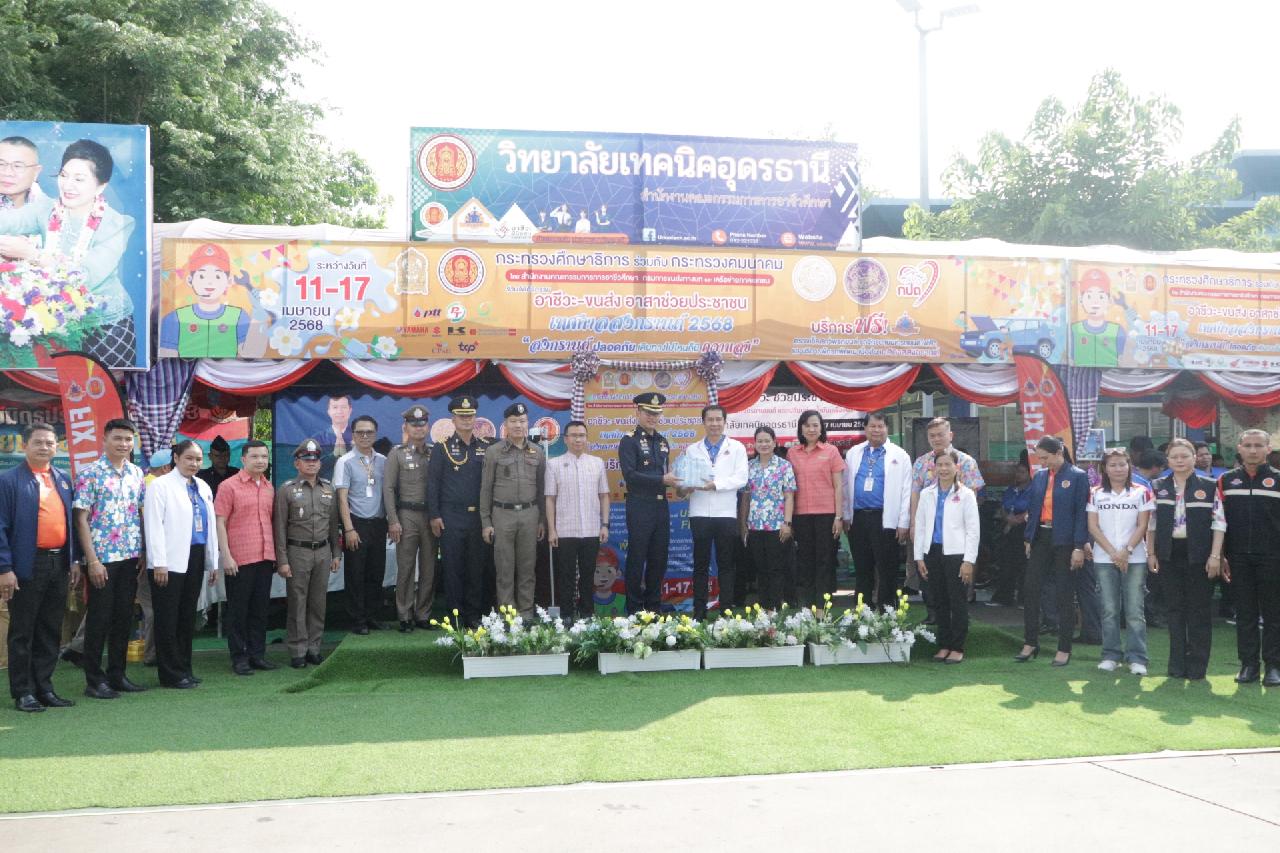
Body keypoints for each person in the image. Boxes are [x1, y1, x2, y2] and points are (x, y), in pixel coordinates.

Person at [0, 139, 137, 366]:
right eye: (64, 176)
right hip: (59, 322)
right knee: (60, 385)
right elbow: (9, 221)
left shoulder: (117, 224)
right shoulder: (46, 209)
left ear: (101, 186)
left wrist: (33, 255)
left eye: (79, 179)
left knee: (104, 386)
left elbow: (86, 275)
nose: (68, 185)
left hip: (106, 325)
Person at [0, 422, 79, 711]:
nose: (44, 447)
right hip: (26, 564)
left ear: (56, 447)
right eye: (38, 442)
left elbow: (71, 523)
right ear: (25, 445)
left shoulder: (63, 479)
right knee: (23, 630)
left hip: (59, 563)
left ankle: (44, 687)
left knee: (50, 628)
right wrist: (5, 568)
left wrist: (74, 560)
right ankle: (23, 692)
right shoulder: (8, 481)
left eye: (50, 443)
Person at [72, 418, 146, 699]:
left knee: (123, 617)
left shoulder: (136, 473)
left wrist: (143, 551)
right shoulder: (90, 473)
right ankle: (94, 680)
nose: (123, 444)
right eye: (118, 438)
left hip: (130, 557)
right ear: (104, 440)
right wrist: (91, 560)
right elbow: (81, 519)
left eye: (128, 439)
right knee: (99, 620)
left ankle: (117, 674)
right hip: (101, 558)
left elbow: (140, 513)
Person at [143, 440, 219, 689]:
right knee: (168, 617)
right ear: (175, 458)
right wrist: (159, 562)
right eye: (189, 458)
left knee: (187, 616)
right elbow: (153, 525)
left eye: (198, 459)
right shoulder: (160, 485)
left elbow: (210, 525)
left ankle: (184, 667)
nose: (194, 463)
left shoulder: (202, 486)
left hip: (195, 555)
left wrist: (213, 561)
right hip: (168, 559)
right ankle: (170, 673)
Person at [1149, 438, 1226, 681]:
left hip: (1200, 555)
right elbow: (1151, 523)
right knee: (1174, 610)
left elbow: (1219, 523)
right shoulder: (1158, 486)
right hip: (1168, 554)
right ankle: (1177, 664)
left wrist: (1215, 556)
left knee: (1199, 610)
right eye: (1174, 457)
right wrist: (1151, 553)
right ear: (1167, 460)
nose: (1180, 461)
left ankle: (1197, 667)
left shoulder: (1210, 486)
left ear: (1194, 458)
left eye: (1185, 456)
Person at [1017, 436, 1089, 667]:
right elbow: (1034, 508)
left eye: (1045, 458)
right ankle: (1030, 642)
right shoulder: (1039, 476)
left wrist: (1079, 546)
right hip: (1041, 536)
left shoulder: (1077, 476)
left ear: (1059, 453)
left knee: (1064, 593)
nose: (1042, 462)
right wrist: (1028, 537)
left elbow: (1082, 513)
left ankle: (1064, 647)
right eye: (1039, 458)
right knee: (1030, 588)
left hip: (1065, 540)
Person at [1216, 429, 1280, 686]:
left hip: (1273, 557)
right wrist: (1222, 555)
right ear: (1239, 448)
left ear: (1268, 449)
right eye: (1248, 445)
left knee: (1274, 614)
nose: (1253, 450)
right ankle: (1248, 665)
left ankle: (1273, 666)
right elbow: (1218, 522)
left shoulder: (1278, 479)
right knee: (1245, 614)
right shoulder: (1226, 481)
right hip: (1238, 558)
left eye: (1258, 445)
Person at [274, 439, 342, 668]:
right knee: (297, 603)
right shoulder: (286, 490)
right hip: (297, 551)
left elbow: (334, 525)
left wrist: (336, 553)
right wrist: (282, 560)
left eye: (315, 459)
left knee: (318, 603)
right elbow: (279, 528)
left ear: (320, 463)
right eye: (306, 459)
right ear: (297, 463)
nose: (311, 463)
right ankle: (298, 650)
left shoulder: (328, 489)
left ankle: (314, 648)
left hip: (322, 551)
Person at [1087, 448, 1155, 675]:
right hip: (1104, 558)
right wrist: (1113, 553)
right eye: (1113, 465)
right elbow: (1093, 526)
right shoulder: (1095, 493)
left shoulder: (1141, 492)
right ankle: (1111, 655)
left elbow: (1143, 525)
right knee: (1109, 610)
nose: (1118, 469)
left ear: (1129, 466)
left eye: (1122, 464)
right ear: (1104, 469)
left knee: (1135, 610)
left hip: (1135, 558)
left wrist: (1126, 551)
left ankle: (1137, 658)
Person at [427, 396, 493, 627]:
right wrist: (434, 515)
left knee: (476, 568)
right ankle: (455, 616)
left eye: (470, 416)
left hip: (478, 518)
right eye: (461, 416)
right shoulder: (442, 448)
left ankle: (473, 615)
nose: (466, 420)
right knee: (453, 569)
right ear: (453, 419)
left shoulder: (485, 447)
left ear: (475, 418)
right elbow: (433, 484)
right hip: (451, 517)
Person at [678, 405, 748, 617]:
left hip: (726, 514)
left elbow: (741, 478)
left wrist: (715, 484)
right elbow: (684, 481)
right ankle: (699, 612)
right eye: (710, 420)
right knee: (700, 564)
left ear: (725, 422)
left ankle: (726, 611)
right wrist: (685, 486)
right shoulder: (692, 449)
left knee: (726, 564)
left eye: (718, 419)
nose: (714, 424)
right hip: (699, 513)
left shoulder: (737, 448)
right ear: (704, 422)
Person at [910, 417, 984, 618]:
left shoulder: (966, 462)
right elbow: (915, 494)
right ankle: (933, 614)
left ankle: (961, 615)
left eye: (940, 435)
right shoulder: (921, 462)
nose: (936, 439)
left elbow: (972, 498)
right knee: (930, 579)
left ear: (950, 435)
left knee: (958, 584)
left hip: (956, 536)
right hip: (930, 534)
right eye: (932, 436)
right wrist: (913, 524)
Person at [214, 439, 277, 675]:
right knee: (238, 611)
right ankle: (239, 658)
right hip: (239, 558)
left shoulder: (269, 487)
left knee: (260, 610)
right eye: (255, 456)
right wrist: (226, 556)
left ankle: (257, 655)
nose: (260, 461)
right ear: (243, 459)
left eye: (264, 456)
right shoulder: (229, 486)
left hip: (265, 556)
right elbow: (219, 521)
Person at [480, 403, 546, 620]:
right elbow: (485, 489)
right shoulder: (494, 452)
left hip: (530, 514)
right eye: (514, 421)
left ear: (528, 424)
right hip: (502, 515)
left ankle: (526, 614)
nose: (518, 425)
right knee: (504, 568)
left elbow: (542, 489)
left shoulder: (537, 452)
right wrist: (486, 522)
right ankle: (508, 615)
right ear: (506, 425)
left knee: (528, 567)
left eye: (522, 421)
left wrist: (542, 520)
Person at [913, 450, 979, 664]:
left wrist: (968, 561)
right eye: (939, 465)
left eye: (947, 464)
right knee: (939, 600)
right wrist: (919, 557)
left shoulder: (966, 494)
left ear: (956, 467)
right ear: (934, 468)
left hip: (957, 555)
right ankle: (944, 644)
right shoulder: (927, 494)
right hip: (932, 552)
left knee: (957, 601)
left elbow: (973, 530)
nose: (943, 469)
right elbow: (920, 526)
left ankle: (957, 647)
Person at [843, 411, 912, 610]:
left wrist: (903, 522)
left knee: (887, 567)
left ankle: (887, 609)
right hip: (858, 518)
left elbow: (906, 491)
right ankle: (862, 609)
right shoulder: (854, 452)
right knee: (862, 567)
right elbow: (846, 486)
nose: (876, 430)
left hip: (885, 518)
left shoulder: (900, 455)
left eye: (880, 426)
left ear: (887, 428)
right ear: (865, 428)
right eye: (872, 426)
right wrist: (846, 515)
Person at [618, 393, 678, 615]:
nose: (653, 417)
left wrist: (678, 482)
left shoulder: (663, 442)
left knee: (659, 558)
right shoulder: (629, 440)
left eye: (656, 413)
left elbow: (667, 474)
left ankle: (653, 606)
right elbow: (630, 476)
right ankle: (634, 609)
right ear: (638, 412)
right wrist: (662, 480)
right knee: (637, 557)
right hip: (639, 506)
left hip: (661, 507)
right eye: (648, 413)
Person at [545, 420, 609, 622]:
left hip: (591, 529)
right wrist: (552, 530)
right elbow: (550, 499)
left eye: (581, 435)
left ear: (586, 438)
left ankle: (587, 615)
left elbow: (604, 495)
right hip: (565, 530)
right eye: (573, 435)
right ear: (565, 439)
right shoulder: (553, 464)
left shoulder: (597, 463)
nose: (578, 439)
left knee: (588, 575)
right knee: (566, 576)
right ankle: (566, 615)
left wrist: (605, 525)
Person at [384, 406, 437, 632]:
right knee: (405, 567)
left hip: (430, 516)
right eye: (414, 425)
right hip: (406, 515)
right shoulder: (397, 453)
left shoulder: (435, 452)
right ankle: (404, 615)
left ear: (428, 426)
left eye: (422, 424)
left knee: (429, 568)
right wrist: (393, 520)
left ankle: (423, 614)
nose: (418, 428)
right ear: (405, 427)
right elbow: (388, 488)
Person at [335, 415, 388, 635]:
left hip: (379, 523)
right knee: (355, 573)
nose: (365, 436)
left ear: (375, 434)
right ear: (353, 435)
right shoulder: (345, 461)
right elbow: (341, 498)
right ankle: (357, 620)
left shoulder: (383, 460)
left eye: (369, 432)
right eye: (360, 432)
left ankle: (372, 615)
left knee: (376, 572)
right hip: (356, 523)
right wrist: (348, 529)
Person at [789, 410, 845, 606]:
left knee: (825, 559)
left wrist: (839, 517)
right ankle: (807, 604)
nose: (811, 429)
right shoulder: (792, 453)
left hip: (827, 515)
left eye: (815, 425)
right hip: (801, 515)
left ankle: (823, 603)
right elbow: (789, 487)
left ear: (821, 428)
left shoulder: (831, 451)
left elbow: (838, 486)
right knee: (805, 559)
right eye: (807, 425)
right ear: (801, 429)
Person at [739, 426, 797, 610]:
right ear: (754, 444)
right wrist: (743, 524)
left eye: (767, 441)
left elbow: (789, 496)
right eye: (760, 441)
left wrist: (787, 523)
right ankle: (764, 608)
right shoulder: (749, 466)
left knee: (776, 568)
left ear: (774, 443)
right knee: (761, 568)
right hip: (755, 526)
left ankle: (775, 607)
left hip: (777, 526)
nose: (763, 444)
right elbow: (746, 497)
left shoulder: (784, 466)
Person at [993, 461, 1032, 606]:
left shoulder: (1033, 489)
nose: (1018, 475)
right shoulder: (1011, 489)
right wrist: (1008, 519)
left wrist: (1016, 520)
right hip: (1008, 527)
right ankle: (1004, 597)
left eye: (1022, 472)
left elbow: (1032, 509)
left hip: (1024, 528)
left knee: (1024, 564)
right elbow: (1003, 506)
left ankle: (1023, 599)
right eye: (1017, 471)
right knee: (1006, 562)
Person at [314, 395, 354, 480]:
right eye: (335, 407)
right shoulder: (317, 438)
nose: (339, 411)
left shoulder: (358, 437)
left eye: (343, 407)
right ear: (329, 411)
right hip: (325, 485)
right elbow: (310, 468)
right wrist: (333, 456)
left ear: (350, 410)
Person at [0, 136, 44, 209]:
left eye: (17, 166)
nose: (7, 173)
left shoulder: (51, 208)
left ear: (36, 172)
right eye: (1, 164)